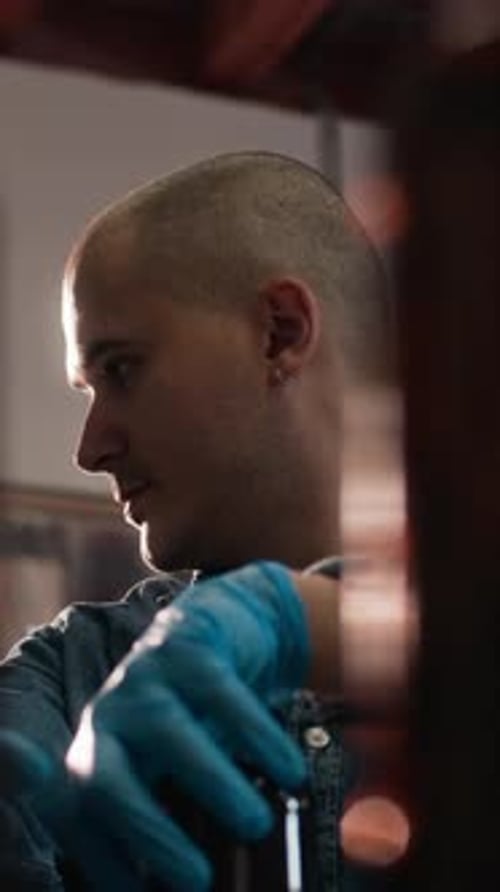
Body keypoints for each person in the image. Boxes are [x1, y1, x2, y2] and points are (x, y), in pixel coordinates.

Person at [0, 151, 395, 891]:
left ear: (279, 331)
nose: (90, 449)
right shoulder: (65, 678)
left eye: (120, 368)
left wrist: (308, 621)